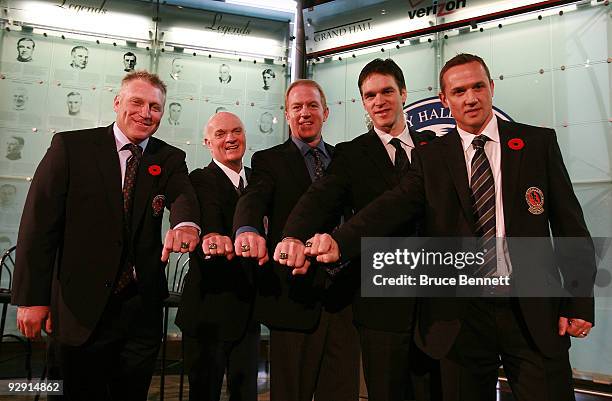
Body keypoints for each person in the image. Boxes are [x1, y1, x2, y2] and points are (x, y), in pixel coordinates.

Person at [297, 53, 596, 401]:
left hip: (532, 312)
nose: (470, 98)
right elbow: (390, 207)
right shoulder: (431, 156)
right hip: (461, 319)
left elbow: (570, 227)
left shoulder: (537, 144)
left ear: (491, 88)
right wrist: (339, 242)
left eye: (477, 87)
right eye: (459, 91)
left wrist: (578, 301)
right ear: (444, 99)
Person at [11, 71, 201, 401]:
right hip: (79, 308)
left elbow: (183, 195)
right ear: (117, 103)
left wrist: (185, 224)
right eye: (137, 102)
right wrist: (32, 297)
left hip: (140, 311)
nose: (145, 113)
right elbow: (38, 225)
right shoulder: (71, 147)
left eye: (155, 107)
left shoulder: (168, 158)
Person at [275, 58, 439, 401]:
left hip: (436, 301)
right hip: (380, 303)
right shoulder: (351, 154)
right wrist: (292, 235)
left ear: (404, 93)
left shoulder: (437, 149)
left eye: (386, 91)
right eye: (369, 95)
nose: (378, 101)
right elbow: (318, 198)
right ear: (363, 102)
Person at [233, 79, 360, 401]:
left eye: (312, 106)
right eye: (297, 107)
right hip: (293, 298)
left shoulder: (346, 160)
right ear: (287, 115)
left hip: (344, 299)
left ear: (326, 112)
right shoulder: (269, 160)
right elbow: (253, 198)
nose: (305, 113)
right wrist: (246, 229)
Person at [176, 112, 259, 401]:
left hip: (249, 315)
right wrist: (213, 236)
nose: (231, 139)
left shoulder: (259, 181)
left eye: (236, 131)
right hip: (207, 314)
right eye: (221, 134)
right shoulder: (199, 180)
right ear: (207, 142)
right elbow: (209, 217)